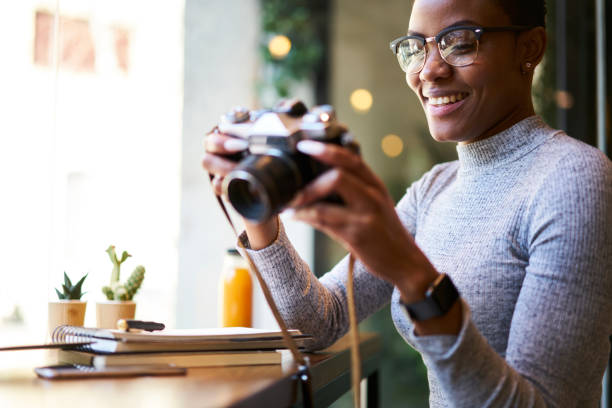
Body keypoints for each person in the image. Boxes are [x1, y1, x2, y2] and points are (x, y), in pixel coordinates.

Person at [203, 0, 612, 405]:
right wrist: (254, 201)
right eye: (417, 47)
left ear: (530, 48)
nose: (430, 70)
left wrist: (414, 276)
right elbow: (317, 322)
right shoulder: (433, 189)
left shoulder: (573, 179)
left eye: (461, 42)